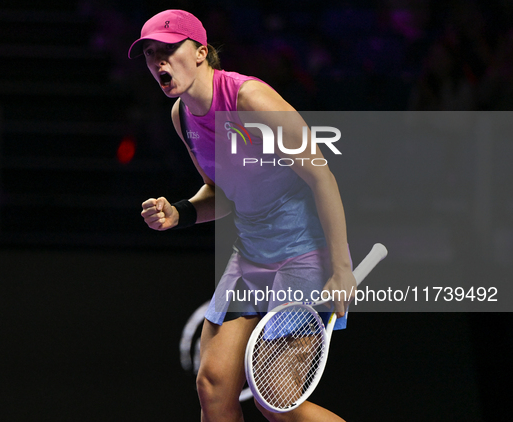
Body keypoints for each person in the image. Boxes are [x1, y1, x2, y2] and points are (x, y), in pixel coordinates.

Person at [130, 10, 355, 422]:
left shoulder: (250, 99)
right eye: (150, 54)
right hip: (253, 252)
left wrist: (340, 268)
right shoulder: (183, 116)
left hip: (306, 252)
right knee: (213, 385)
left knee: (276, 400)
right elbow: (222, 195)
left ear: (200, 53)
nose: (159, 62)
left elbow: (322, 177)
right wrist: (178, 213)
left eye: (169, 50)